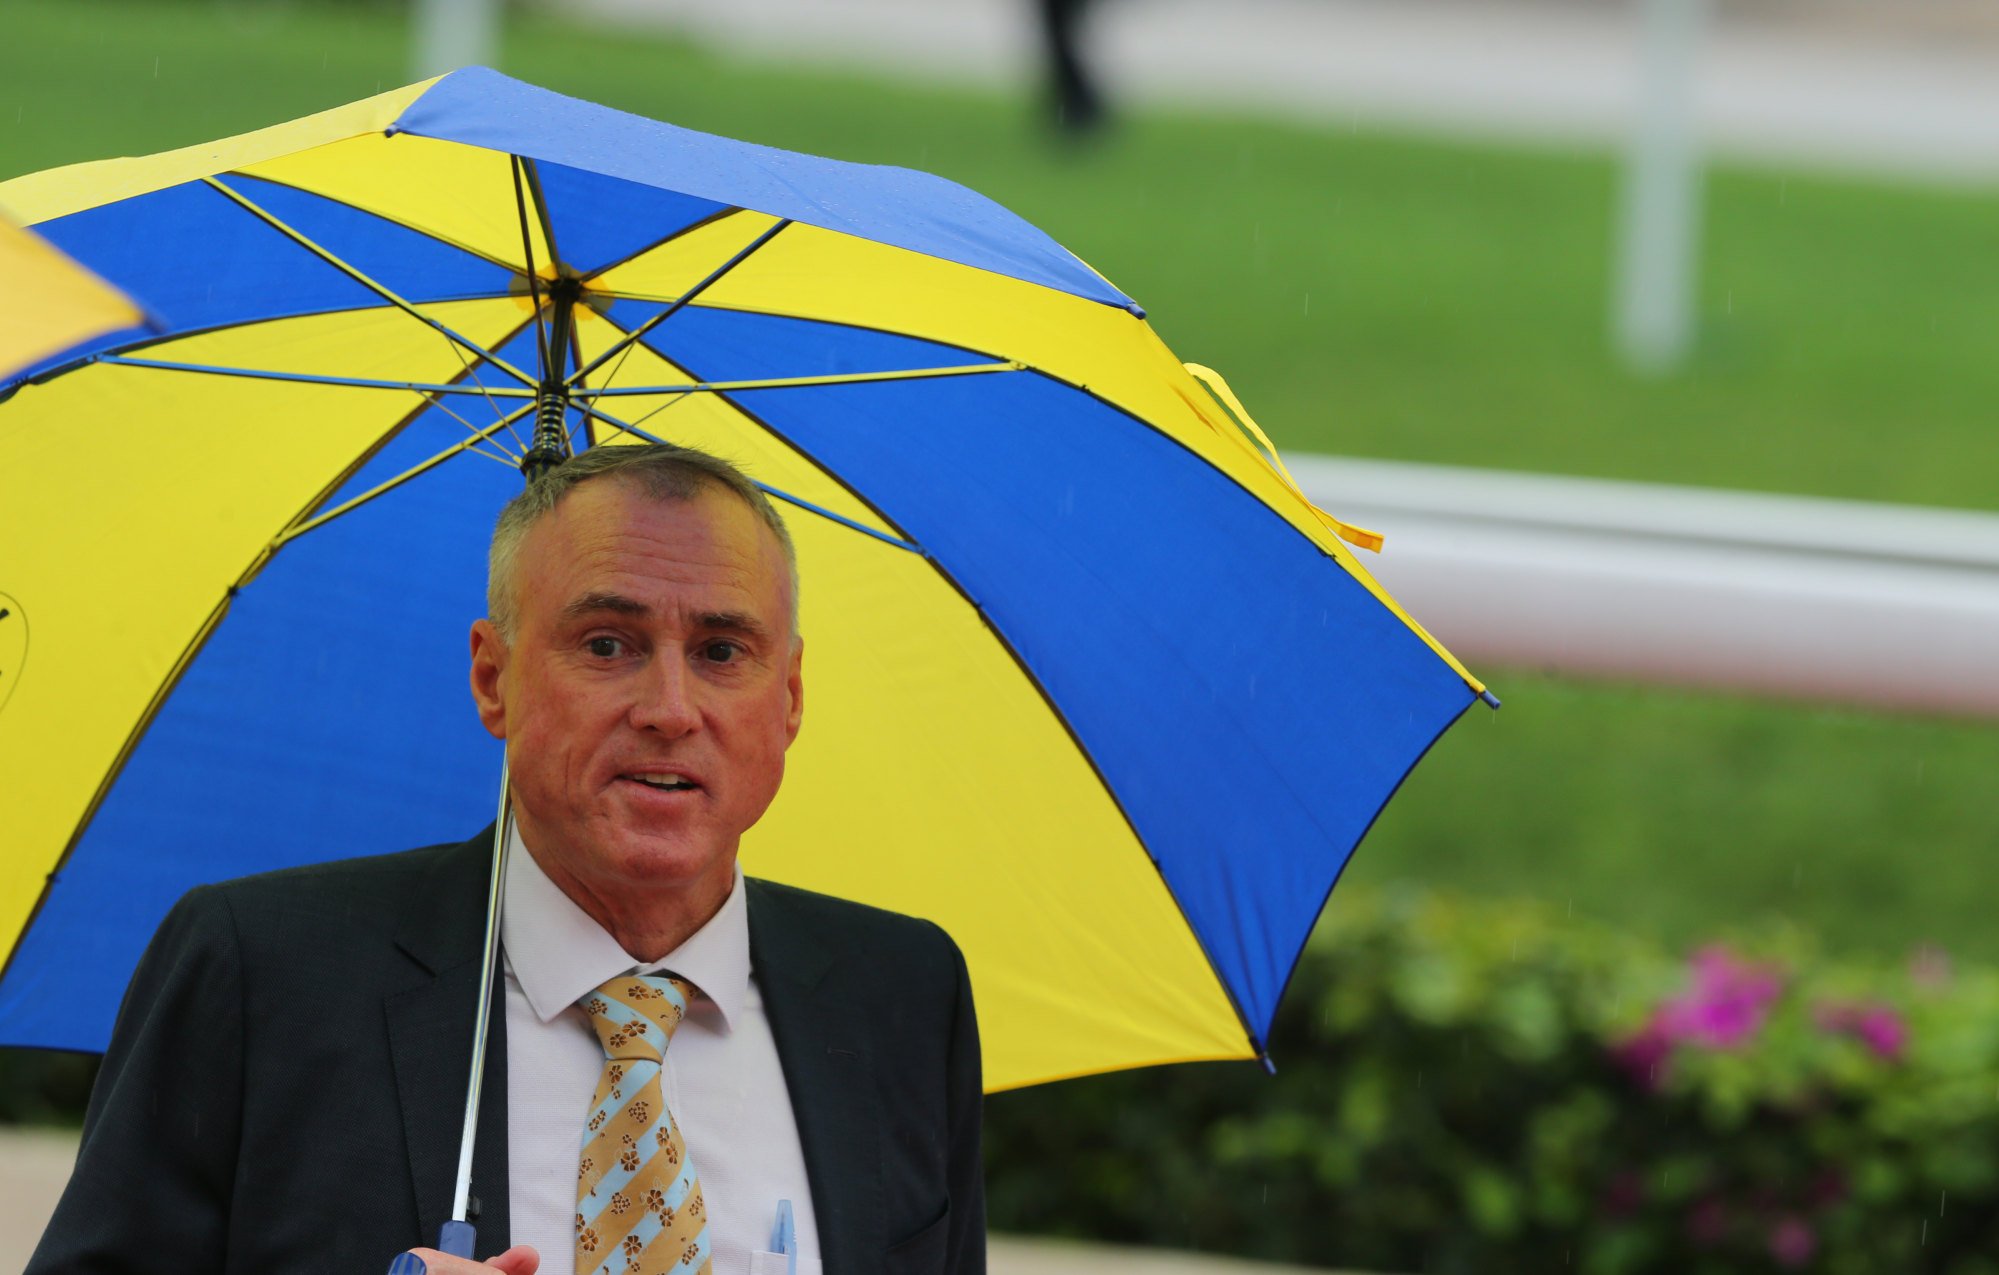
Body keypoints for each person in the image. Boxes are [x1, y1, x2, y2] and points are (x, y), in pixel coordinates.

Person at [27, 444, 985, 1275]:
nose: (669, 707)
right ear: (494, 676)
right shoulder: (262, 971)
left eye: (723, 651)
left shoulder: (901, 995)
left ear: (789, 696)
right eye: (607, 643)